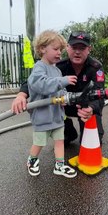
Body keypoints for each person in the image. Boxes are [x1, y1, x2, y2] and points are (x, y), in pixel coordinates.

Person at [11, 31, 105, 145]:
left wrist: (91, 109)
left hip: (85, 107)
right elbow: (33, 81)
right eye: (74, 47)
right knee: (63, 138)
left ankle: (89, 124)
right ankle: (68, 132)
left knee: (93, 142)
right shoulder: (58, 65)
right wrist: (21, 95)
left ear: (89, 49)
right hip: (64, 105)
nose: (77, 52)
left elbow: (100, 93)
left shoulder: (96, 67)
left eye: (82, 48)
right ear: (68, 47)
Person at [26, 30, 77, 178]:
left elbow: (60, 90)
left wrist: (65, 96)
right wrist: (62, 81)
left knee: (59, 141)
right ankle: (32, 160)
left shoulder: (57, 70)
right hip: (42, 116)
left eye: (60, 50)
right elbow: (41, 84)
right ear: (42, 49)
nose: (59, 53)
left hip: (56, 116)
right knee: (40, 143)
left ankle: (59, 165)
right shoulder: (39, 68)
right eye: (55, 49)